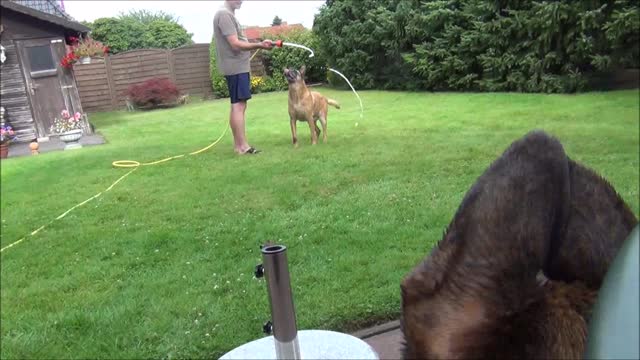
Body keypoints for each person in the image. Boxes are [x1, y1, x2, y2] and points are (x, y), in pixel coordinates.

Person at [213, 0, 273, 155]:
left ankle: (238, 146)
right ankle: (243, 147)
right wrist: (260, 45)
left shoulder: (227, 14)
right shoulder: (224, 14)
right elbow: (235, 44)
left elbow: (239, 40)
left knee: (238, 105)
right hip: (236, 68)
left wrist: (258, 43)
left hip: (237, 67)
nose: (241, 1)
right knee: (239, 106)